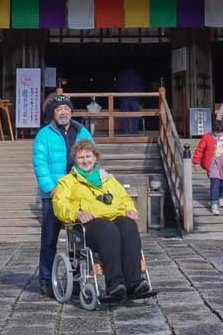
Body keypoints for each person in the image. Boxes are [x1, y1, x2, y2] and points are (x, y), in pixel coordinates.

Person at [52, 140, 150, 301]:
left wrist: (130, 209)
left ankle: (134, 282)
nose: (85, 160)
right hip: (88, 224)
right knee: (108, 229)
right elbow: (60, 204)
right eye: (80, 157)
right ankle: (115, 284)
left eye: (88, 156)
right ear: (75, 160)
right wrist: (77, 213)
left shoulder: (108, 179)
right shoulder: (67, 182)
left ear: (95, 157)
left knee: (129, 225)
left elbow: (123, 197)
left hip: (113, 217)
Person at [33, 94, 93, 297]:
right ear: (53, 113)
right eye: (59, 109)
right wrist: (52, 189)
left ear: (71, 111)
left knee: (77, 241)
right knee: (49, 239)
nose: (63, 112)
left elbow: (91, 161)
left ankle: (76, 280)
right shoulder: (44, 134)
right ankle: (45, 280)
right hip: (54, 196)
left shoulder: (82, 131)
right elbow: (40, 165)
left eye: (66, 108)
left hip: (77, 197)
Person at [192, 119, 223, 215]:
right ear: (213, 130)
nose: (219, 134)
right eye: (217, 132)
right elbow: (200, 150)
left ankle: (220, 197)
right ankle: (214, 203)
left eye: (220, 132)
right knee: (215, 183)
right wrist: (196, 162)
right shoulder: (207, 137)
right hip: (213, 163)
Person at [115, 67, 144, 135]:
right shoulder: (138, 78)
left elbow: (118, 88)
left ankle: (126, 132)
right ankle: (135, 132)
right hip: (135, 100)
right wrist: (140, 101)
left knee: (125, 116)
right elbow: (141, 89)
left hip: (124, 100)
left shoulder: (121, 78)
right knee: (135, 116)